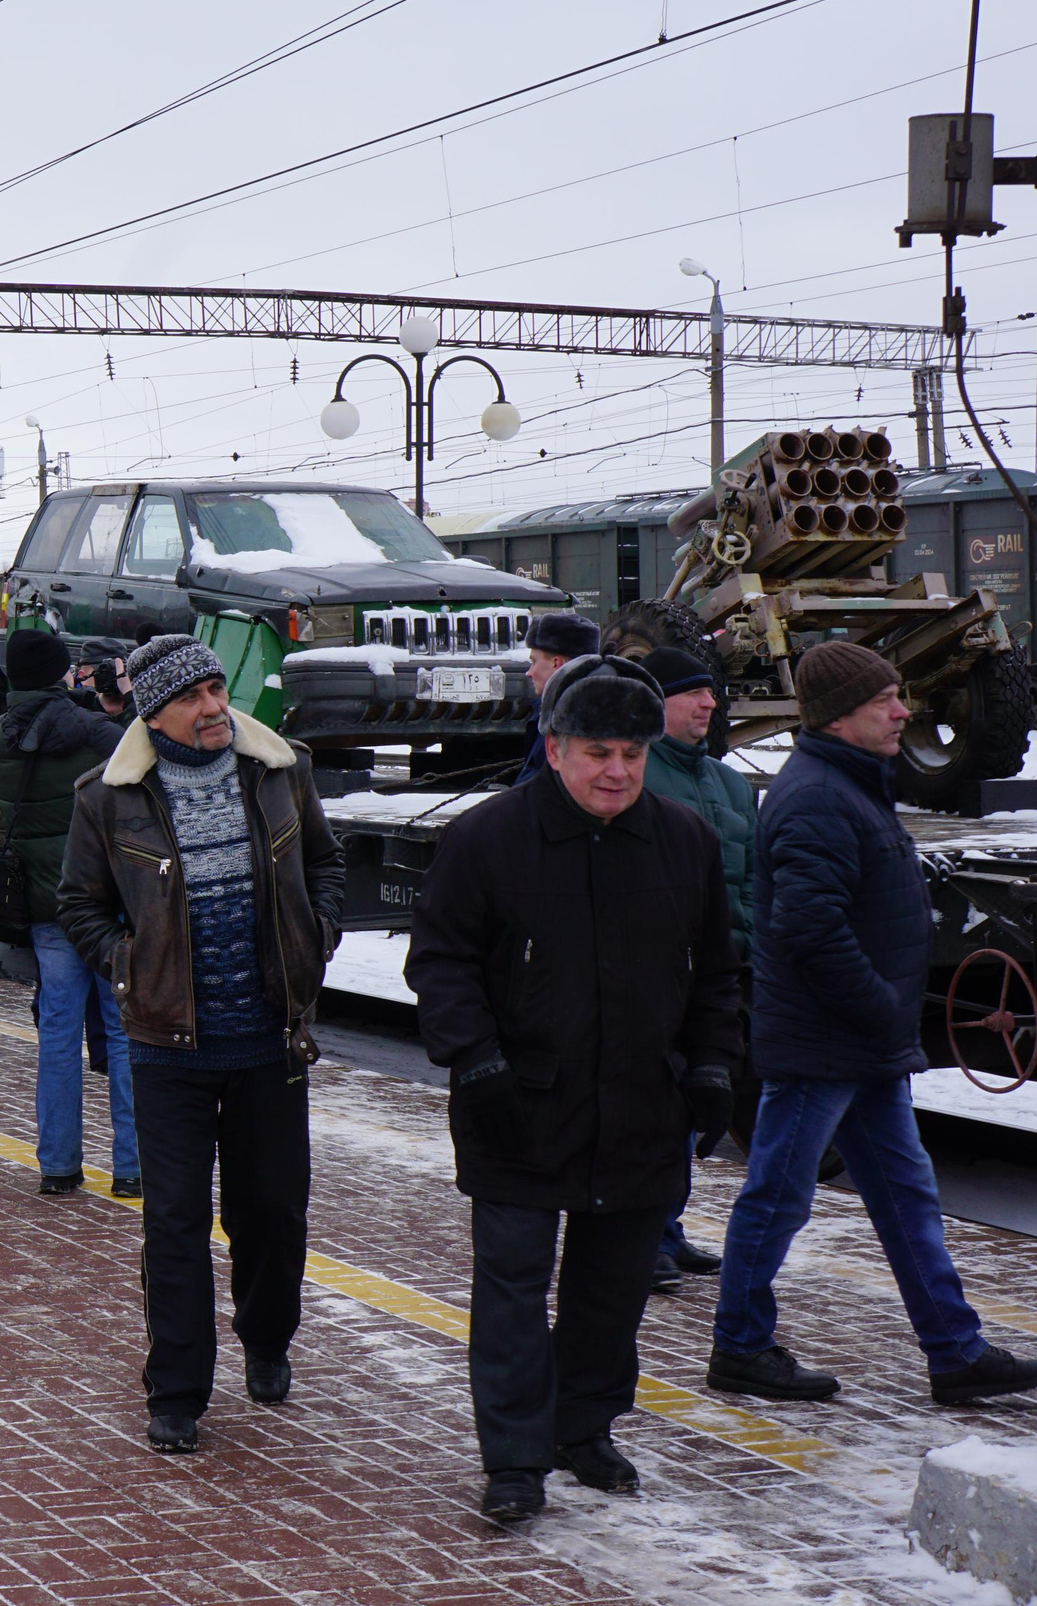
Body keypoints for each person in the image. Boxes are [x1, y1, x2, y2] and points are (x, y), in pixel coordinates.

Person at [406, 653, 738, 1523]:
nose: (617, 770)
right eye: (597, 751)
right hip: (517, 1102)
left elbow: (715, 974)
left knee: (613, 1285)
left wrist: (711, 1064)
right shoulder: (486, 840)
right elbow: (439, 962)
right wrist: (473, 1059)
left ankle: (582, 1426)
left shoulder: (684, 841)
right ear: (554, 749)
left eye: (631, 751)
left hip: (639, 1104)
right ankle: (514, 1457)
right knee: (513, 1286)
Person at [710, 641, 1037, 1408]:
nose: (904, 712)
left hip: (861, 1046)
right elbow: (807, 928)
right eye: (886, 700)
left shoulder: (850, 784)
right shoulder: (819, 796)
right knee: (778, 1197)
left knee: (905, 1197)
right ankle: (739, 1345)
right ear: (838, 716)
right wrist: (882, 1006)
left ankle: (956, 1352)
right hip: (826, 1047)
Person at [56, 634, 345, 1460]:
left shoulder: (281, 769)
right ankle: (177, 1390)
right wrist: (125, 963)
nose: (215, 707)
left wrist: (315, 935)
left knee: (271, 1210)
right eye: (195, 697)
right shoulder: (107, 797)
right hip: (166, 1046)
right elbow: (78, 901)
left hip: (268, 1040)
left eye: (218, 689)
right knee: (175, 1223)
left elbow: (326, 864)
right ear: (156, 714)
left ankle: (266, 1338)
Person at [0, 629, 133, 1195]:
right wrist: (116, 699)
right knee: (123, 1032)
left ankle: (58, 1165)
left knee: (57, 1033)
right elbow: (139, 770)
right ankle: (133, 1168)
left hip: (48, 908)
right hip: (108, 905)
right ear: (60, 673)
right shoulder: (93, 729)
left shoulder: (1, 736)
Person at [637, 644, 757, 1292]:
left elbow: (757, 879)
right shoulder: (637, 777)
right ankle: (646, 1233)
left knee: (691, 1108)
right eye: (694, 693)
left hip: (723, 973)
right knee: (658, 1107)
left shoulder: (732, 783)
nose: (710, 704)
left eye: (711, 693)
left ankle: (667, 1227)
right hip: (659, 975)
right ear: (657, 703)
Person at [512, 612, 600, 787]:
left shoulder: (560, 715)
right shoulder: (596, 703)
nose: (529, 672)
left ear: (556, 664)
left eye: (534, 662)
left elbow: (539, 788)